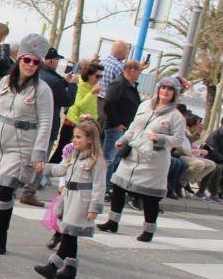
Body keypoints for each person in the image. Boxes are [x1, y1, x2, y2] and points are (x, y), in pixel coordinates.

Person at [0, 34, 54, 255]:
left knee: (4, 189)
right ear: (19, 59)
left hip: (22, 145)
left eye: (36, 62)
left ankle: (1, 237)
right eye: (27, 60)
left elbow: (46, 122)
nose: (30, 65)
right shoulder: (4, 82)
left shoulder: (42, 90)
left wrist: (39, 153)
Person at [98, 77, 186, 242]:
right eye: (163, 88)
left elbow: (178, 139)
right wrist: (123, 140)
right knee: (118, 186)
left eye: (169, 89)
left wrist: (159, 138)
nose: (165, 91)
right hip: (132, 154)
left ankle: (148, 230)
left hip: (154, 161)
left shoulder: (176, 116)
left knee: (149, 197)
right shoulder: (144, 106)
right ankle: (112, 221)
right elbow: (134, 127)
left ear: (175, 93)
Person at [34, 120, 106, 279]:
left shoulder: (96, 161)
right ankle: (70, 268)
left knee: (68, 234)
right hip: (70, 198)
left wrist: (94, 207)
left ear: (90, 139)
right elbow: (61, 169)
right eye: (74, 137)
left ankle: (52, 266)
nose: (75, 140)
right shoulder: (74, 156)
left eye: (79, 137)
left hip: (82, 201)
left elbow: (99, 186)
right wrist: (44, 168)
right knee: (71, 234)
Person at [19, 47, 76, 207]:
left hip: (28, 122)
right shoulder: (54, 81)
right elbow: (67, 100)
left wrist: (64, 81)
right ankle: (29, 191)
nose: (58, 63)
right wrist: (71, 85)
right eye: (57, 60)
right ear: (51, 61)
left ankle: (15, 185)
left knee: (24, 156)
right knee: (40, 159)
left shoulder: (37, 76)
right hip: (47, 124)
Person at [49, 62, 102, 163]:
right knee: (62, 152)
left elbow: (91, 107)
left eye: (101, 76)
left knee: (74, 155)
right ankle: (46, 175)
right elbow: (79, 104)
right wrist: (92, 93)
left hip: (85, 124)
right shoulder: (81, 84)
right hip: (73, 123)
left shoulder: (92, 86)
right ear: (90, 75)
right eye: (98, 76)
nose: (99, 79)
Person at [101, 60, 142, 189]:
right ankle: (103, 186)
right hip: (115, 128)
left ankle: (108, 185)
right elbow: (109, 104)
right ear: (133, 70)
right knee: (109, 158)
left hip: (124, 128)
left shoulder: (129, 85)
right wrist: (117, 123)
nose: (140, 74)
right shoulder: (119, 84)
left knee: (115, 159)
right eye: (139, 71)